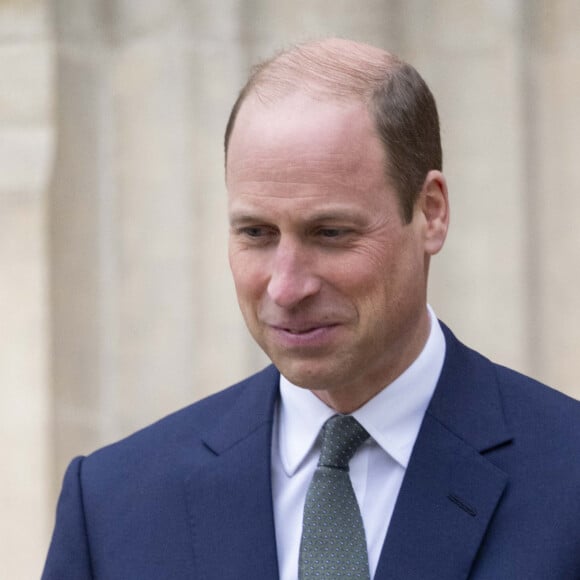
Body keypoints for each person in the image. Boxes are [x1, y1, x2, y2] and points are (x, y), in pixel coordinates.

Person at [43, 39, 580, 579]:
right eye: (256, 233)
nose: (286, 286)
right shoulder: (113, 507)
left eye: (330, 233)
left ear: (431, 213)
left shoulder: (566, 477)